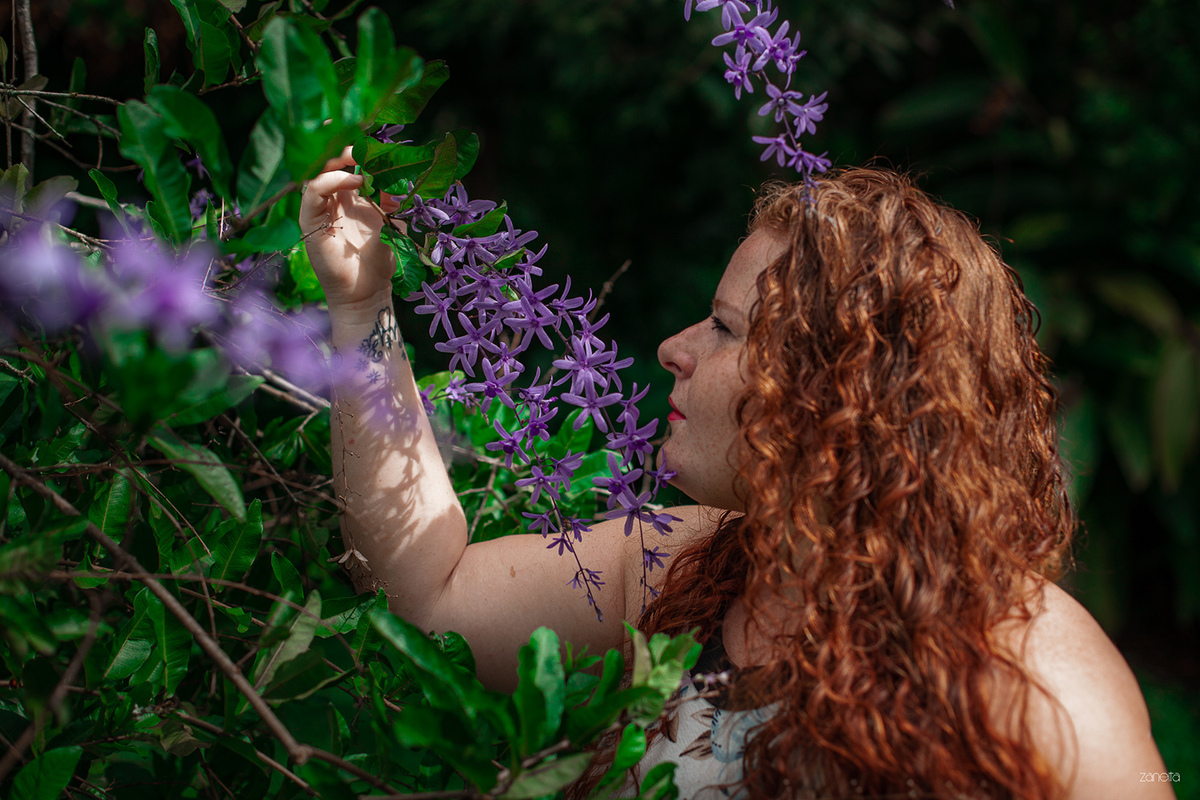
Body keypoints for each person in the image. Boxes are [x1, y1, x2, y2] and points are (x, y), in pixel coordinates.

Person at [299, 154, 1172, 800]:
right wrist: (363, 308)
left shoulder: (1032, 686)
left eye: (722, 326)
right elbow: (427, 593)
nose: (672, 350)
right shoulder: (698, 570)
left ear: (832, 385)